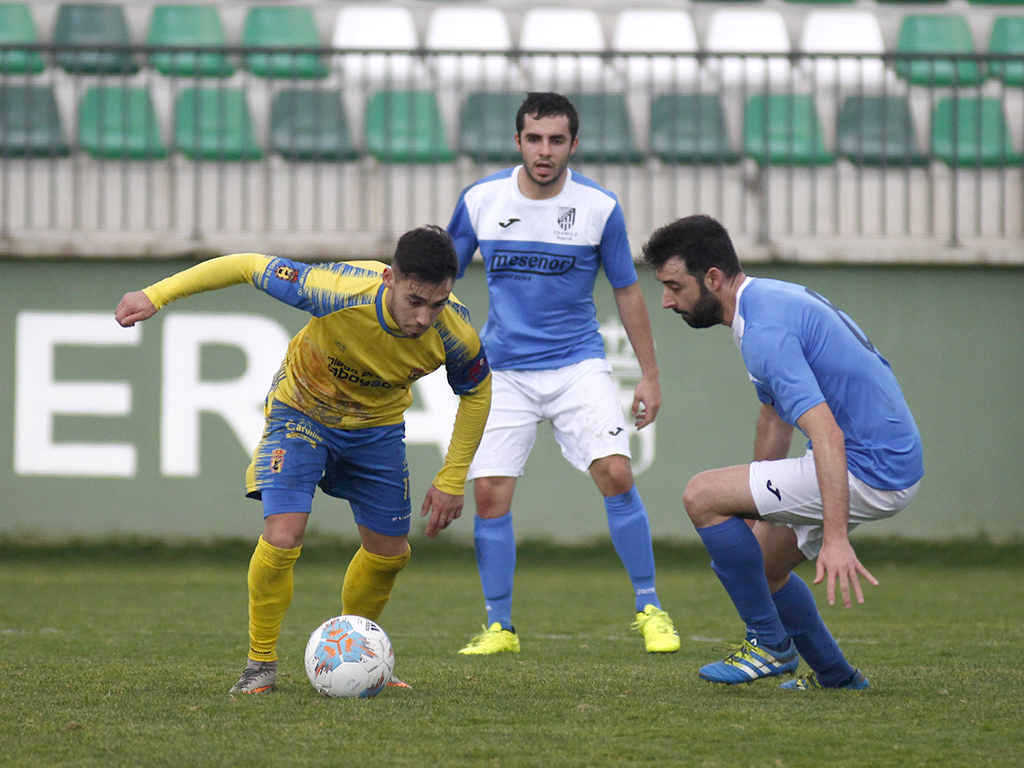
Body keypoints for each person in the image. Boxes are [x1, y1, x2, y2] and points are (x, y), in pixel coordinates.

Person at [114, 225, 491, 693]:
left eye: (436, 304)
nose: (423, 317)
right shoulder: (336, 290)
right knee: (283, 533)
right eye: (415, 300)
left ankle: (357, 653)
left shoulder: (455, 333)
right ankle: (260, 664)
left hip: (375, 431)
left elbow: (477, 393)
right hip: (302, 415)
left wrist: (453, 478)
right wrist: (157, 294)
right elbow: (247, 265)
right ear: (390, 279)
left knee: (390, 554)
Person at [641, 214, 924, 688]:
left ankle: (769, 646)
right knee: (764, 565)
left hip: (869, 469)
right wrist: (757, 510)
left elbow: (828, 433)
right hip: (880, 461)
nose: (667, 301)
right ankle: (838, 677)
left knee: (701, 496)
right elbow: (774, 416)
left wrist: (834, 538)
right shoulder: (767, 301)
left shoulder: (764, 332)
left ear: (713, 278)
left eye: (674, 286)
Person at [446, 92, 679, 655]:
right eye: (534, 139)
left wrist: (649, 374)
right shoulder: (481, 200)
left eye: (556, 140)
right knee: (491, 496)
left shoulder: (599, 207)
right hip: (503, 371)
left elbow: (627, 290)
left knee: (617, 476)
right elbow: (439, 279)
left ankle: (651, 608)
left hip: (578, 364)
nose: (544, 151)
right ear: (518, 141)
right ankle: (499, 628)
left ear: (573, 144)